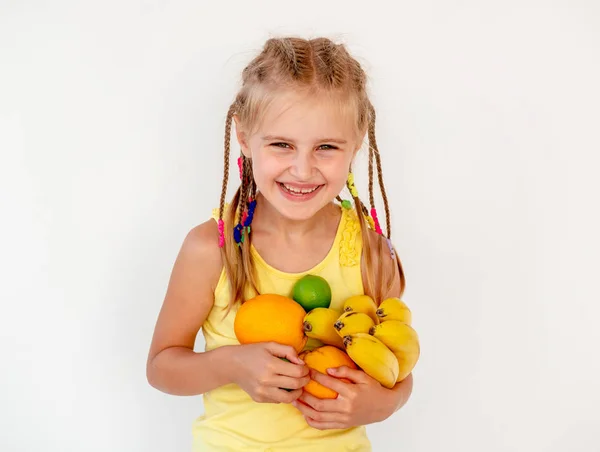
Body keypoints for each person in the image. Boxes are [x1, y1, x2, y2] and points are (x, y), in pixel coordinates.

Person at [146, 36, 414, 452]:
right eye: (281, 145)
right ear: (244, 135)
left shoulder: (372, 254)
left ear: (357, 142)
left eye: (326, 147)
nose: (302, 169)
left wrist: (387, 402)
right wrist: (231, 363)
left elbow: (397, 361)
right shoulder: (212, 249)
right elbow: (162, 367)